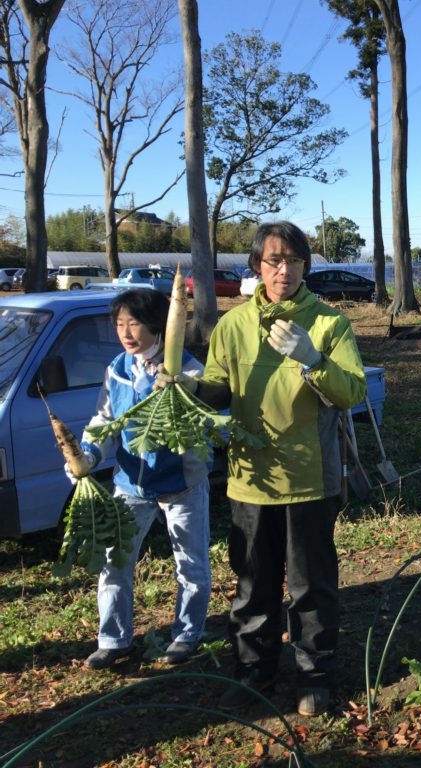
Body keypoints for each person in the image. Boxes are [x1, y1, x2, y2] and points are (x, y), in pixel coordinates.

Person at [159, 221, 367, 717]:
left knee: (311, 586)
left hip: (310, 479)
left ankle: (314, 676)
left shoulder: (328, 324)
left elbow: (352, 392)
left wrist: (313, 358)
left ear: (305, 267)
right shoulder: (232, 327)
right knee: (253, 586)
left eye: (294, 260)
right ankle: (254, 673)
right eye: (273, 260)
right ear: (256, 266)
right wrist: (186, 389)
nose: (284, 269)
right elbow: (218, 392)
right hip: (250, 481)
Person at [68, 288, 211, 670]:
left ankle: (187, 634)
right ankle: (113, 639)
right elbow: (103, 420)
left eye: (134, 324)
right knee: (114, 562)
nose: (126, 333)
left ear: (157, 325)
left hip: (182, 482)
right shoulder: (117, 367)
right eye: (119, 324)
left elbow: (205, 413)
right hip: (129, 483)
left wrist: (181, 385)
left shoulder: (184, 367)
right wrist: (87, 454)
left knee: (191, 564)